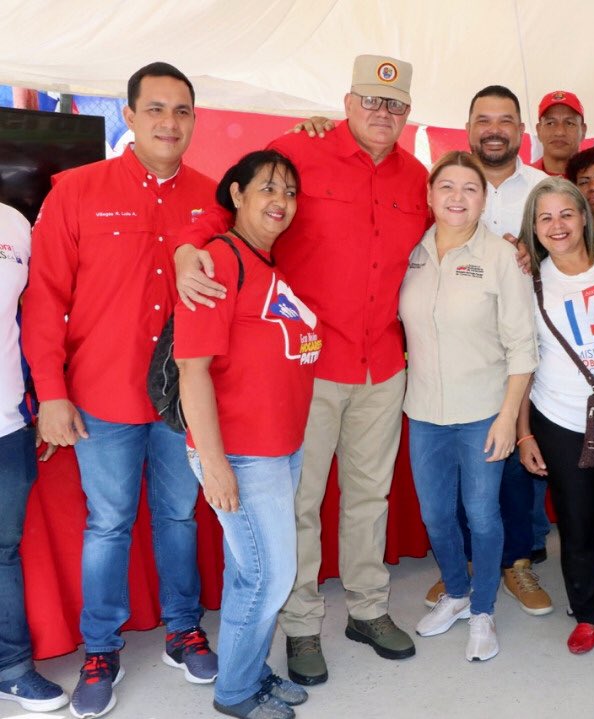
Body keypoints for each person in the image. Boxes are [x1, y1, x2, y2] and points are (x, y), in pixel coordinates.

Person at [175, 54, 428, 684]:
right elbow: (232, 202)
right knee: (301, 503)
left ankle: (368, 609)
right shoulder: (299, 149)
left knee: (369, 496)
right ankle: (301, 624)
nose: (383, 113)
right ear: (347, 102)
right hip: (309, 364)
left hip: (381, 363)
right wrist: (188, 247)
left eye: (395, 105)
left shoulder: (417, 176)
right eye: (371, 100)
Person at [23, 61, 219, 719]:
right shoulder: (76, 190)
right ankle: (100, 649)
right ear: (129, 116)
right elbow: (45, 299)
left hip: (182, 399)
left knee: (179, 517)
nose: (170, 122)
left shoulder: (212, 197)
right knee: (107, 524)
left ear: (195, 119)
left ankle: (182, 628)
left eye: (183, 110)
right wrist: (50, 392)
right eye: (157, 109)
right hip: (101, 397)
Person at [176, 151, 320, 719]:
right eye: (266, 188)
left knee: (249, 572)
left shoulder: (264, 264)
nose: (279, 200)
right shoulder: (218, 262)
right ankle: (234, 692)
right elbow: (193, 370)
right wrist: (215, 466)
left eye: (289, 189)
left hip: (279, 449)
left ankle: (249, 669)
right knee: (270, 574)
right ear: (236, 194)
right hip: (239, 453)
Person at [423, 86, 555, 617]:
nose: (494, 128)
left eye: (506, 119)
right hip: (465, 348)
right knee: (460, 473)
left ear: (522, 130)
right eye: (484, 119)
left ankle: (516, 564)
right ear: (469, 127)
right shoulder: (446, 186)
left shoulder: (542, 187)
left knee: (518, 462)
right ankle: (466, 569)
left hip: (532, 341)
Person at [401, 151, 537, 662]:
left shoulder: (503, 256)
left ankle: (483, 611)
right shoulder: (412, 251)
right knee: (437, 515)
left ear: (485, 200)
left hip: (483, 408)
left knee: (482, 515)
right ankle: (456, 593)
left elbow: (524, 345)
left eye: (470, 189)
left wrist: (508, 417)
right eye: (447, 187)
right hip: (424, 412)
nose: (457, 198)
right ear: (430, 195)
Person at [513, 176, 594, 652]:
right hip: (561, 417)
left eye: (566, 214)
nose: (557, 225)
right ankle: (588, 611)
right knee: (577, 523)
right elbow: (521, 362)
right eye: (545, 217)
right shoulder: (527, 284)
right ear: (533, 226)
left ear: (585, 217)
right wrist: (525, 434)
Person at [0, 201, 68, 713]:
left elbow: (36, 314)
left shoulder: (14, 223)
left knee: (2, 550)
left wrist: (43, 398)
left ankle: (13, 669)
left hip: (5, 422)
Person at [530, 90, 587, 177]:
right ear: (538, 131)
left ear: (583, 131)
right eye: (550, 123)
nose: (560, 132)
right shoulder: (522, 180)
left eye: (569, 123)